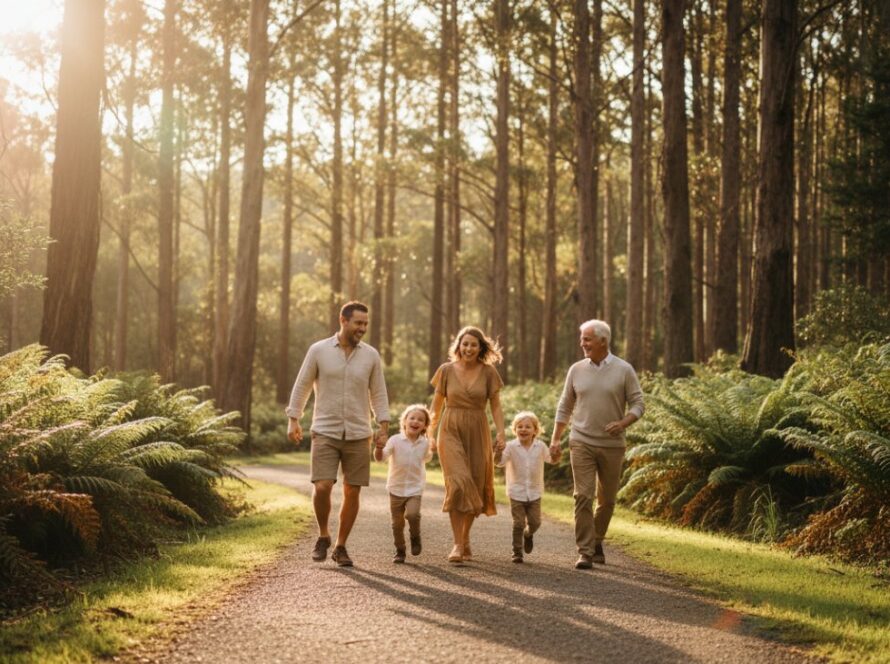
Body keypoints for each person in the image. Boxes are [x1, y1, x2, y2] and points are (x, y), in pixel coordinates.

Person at [286, 301, 390, 567]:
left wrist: (383, 426)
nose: (363, 328)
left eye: (366, 323)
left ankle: (341, 546)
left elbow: (378, 392)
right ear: (343, 321)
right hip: (325, 430)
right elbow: (302, 385)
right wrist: (293, 419)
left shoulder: (371, 356)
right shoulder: (319, 350)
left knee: (352, 491)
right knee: (322, 486)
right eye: (358, 323)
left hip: (358, 432)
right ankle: (323, 535)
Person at [549, 319, 644, 570]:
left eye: (587, 339)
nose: (582, 343)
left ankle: (597, 539)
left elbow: (638, 404)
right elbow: (565, 405)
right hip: (581, 440)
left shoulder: (624, 370)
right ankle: (585, 551)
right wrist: (556, 438)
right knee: (583, 495)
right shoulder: (576, 369)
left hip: (613, 445)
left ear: (603, 340)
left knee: (608, 500)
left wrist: (623, 423)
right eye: (582, 339)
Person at [429, 326, 506, 563]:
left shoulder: (489, 372)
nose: (469, 348)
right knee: (458, 483)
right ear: (458, 346)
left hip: (477, 429)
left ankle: (464, 539)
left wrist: (501, 432)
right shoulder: (446, 370)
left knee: (474, 482)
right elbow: (436, 406)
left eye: (474, 344)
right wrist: (430, 433)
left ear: (480, 347)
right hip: (450, 428)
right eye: (465, 344)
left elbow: (495, 405)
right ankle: (456, 544)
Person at [495, 411, 560, 563]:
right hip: (516, 491)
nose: (523, 429)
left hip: (535, 492)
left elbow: (551, 460)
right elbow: (499, 463)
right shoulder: (510, 447)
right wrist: (497, 452)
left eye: (528, 427)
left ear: (535, 430)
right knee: (518, 523)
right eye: (520, 427)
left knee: (535, 523)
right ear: (515, 430)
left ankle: (528, 534)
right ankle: (517, 552)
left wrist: (557, 454)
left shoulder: (540, 446)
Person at [374, 404, 434, 564]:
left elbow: (428, 457)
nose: (416, 421)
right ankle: (400, 550)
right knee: (397, 523)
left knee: (413, 515)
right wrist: (378, 448)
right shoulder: (395, 440)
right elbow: (381, 457)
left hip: (415, 488)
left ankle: (415, 537)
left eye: (420, 420)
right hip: (396, 487)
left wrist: (432, 446)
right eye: (412, 418)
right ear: (405, 421)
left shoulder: (425, 443)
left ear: (425, 426)